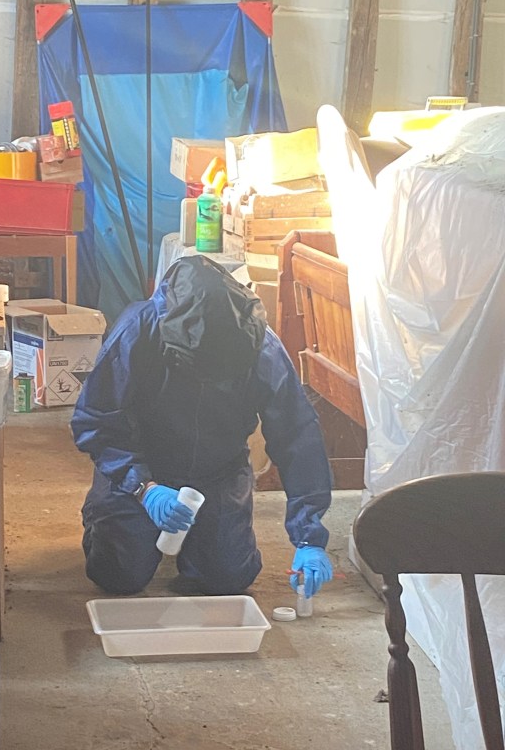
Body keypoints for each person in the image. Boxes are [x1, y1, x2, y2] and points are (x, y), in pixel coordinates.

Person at [71, 256, 333, 599]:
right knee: (119, 574)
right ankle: (108, 512)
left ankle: (202, 540)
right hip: (143, 464)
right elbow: (96, 419)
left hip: (218, 469)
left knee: (227, 580)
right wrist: (143, 487)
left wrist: (309, 537)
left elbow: (297, 434)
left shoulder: (260, 346)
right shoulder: (139, 329)